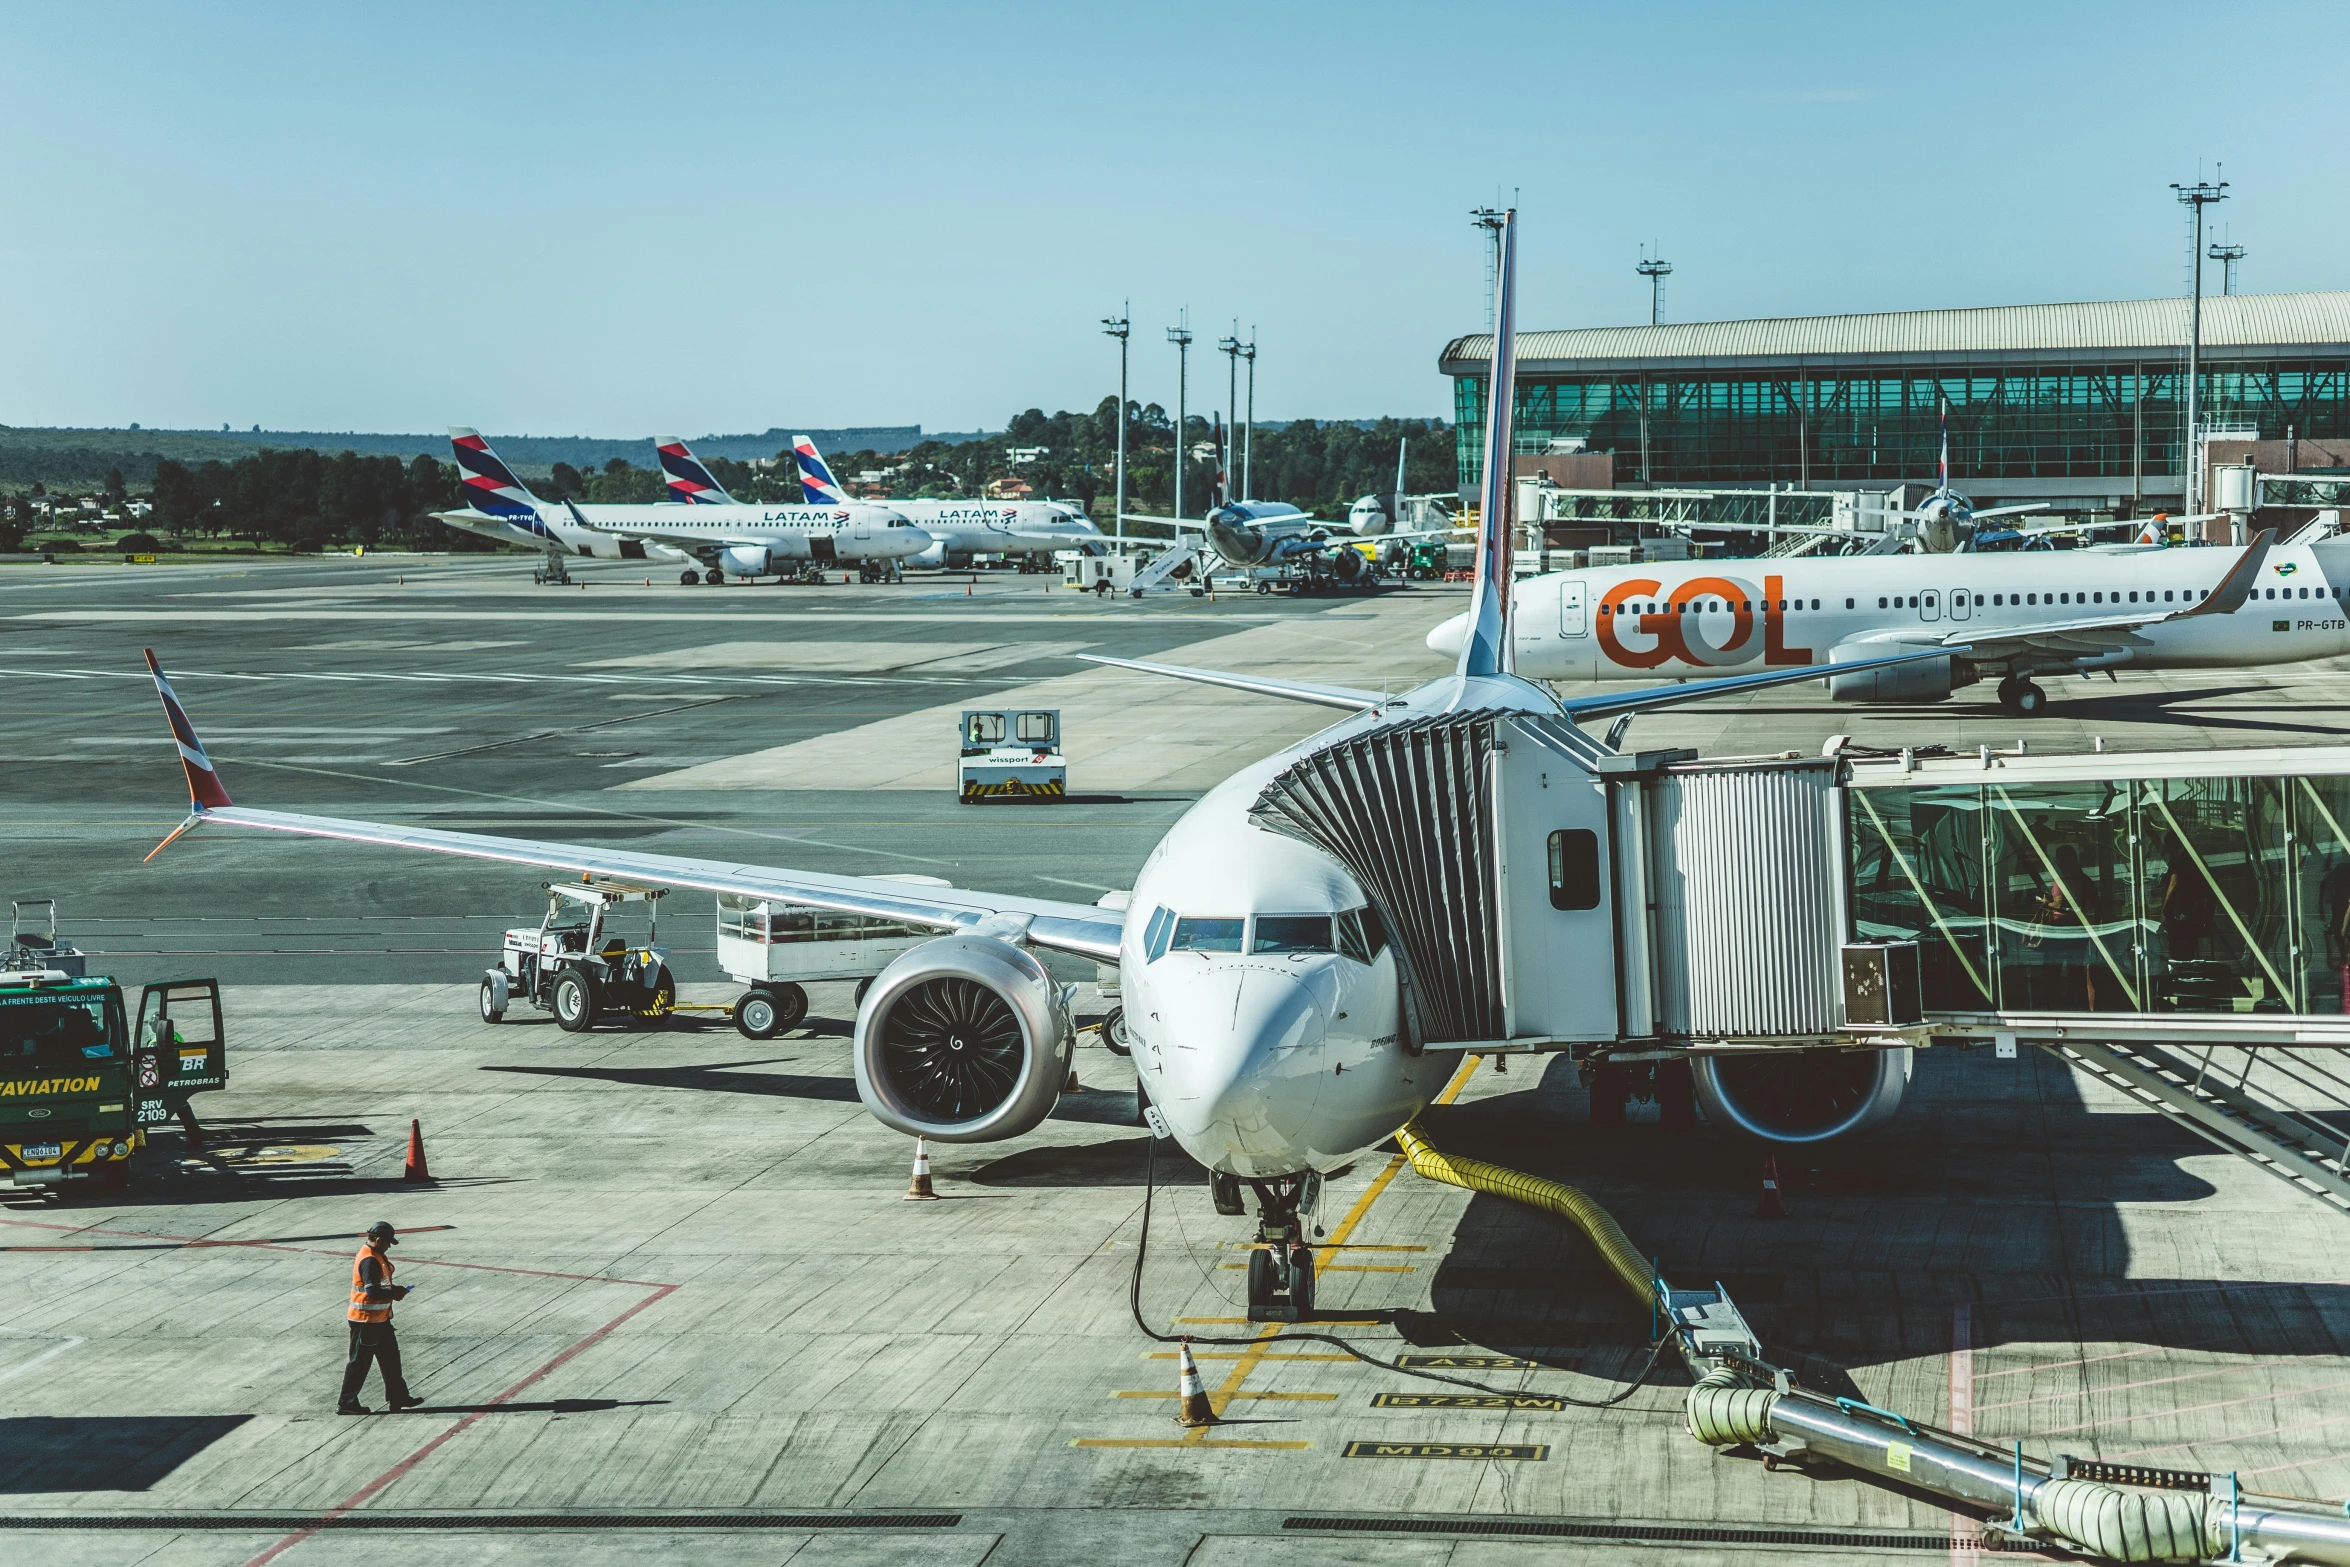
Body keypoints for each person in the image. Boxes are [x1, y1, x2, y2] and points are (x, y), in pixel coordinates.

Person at [339, 1220, 421, 1414]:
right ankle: (346, 1403)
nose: (389, 1247)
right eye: (387, 1242)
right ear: (376, 1239)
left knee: (391, 1359)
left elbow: (380, 1286)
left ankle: (398, 1397)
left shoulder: (377, 1255)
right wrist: (394, 1293)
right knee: (359, 1363)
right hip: (365, 1321)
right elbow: (372, 1291)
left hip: (380, 1320)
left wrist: (394, 1290)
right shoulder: (369, 1259)